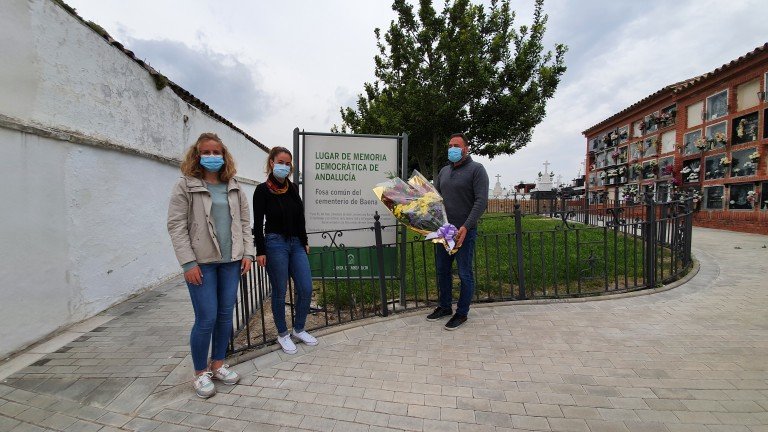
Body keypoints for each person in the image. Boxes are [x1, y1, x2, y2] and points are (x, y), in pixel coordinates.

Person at [167, 132, 254, 398]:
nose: (212, 157)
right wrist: (188, 262)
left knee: (225, 315)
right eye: (207, 152)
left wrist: (247, 254)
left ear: (224, 155)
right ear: (197, 155)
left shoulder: (234, 185)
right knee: (206, 318)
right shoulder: (186, 185)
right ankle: (199, 373)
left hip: (231, 262)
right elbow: (176, 226)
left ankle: (217, 364)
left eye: (217, 153)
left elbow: (244, 223)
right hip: (202, 264)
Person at [253, 146, 318, 354]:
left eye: (287, 163)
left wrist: (304, 239)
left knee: (306, 287)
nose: (284, 166)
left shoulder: (293, 188)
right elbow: (257, 221)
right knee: (280, 291)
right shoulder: (262, 190)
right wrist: (260, 251)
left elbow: (300, 216)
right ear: (271, 162)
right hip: (275, 243)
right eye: (280, 162)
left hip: (296, 243)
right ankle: (282, 334)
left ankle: (299, 328)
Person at [427, 133, 489, 330]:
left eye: (456, 145)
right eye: (450, 145)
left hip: (464, 233)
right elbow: (435, 199)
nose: (452, 148)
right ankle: (445, 307)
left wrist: (466, 226)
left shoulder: (477, 170)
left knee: (464, 273)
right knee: (442, 272)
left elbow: (481, 202)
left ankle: (462, 313)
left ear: (466, 149)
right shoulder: (444, 172)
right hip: (444, 232)